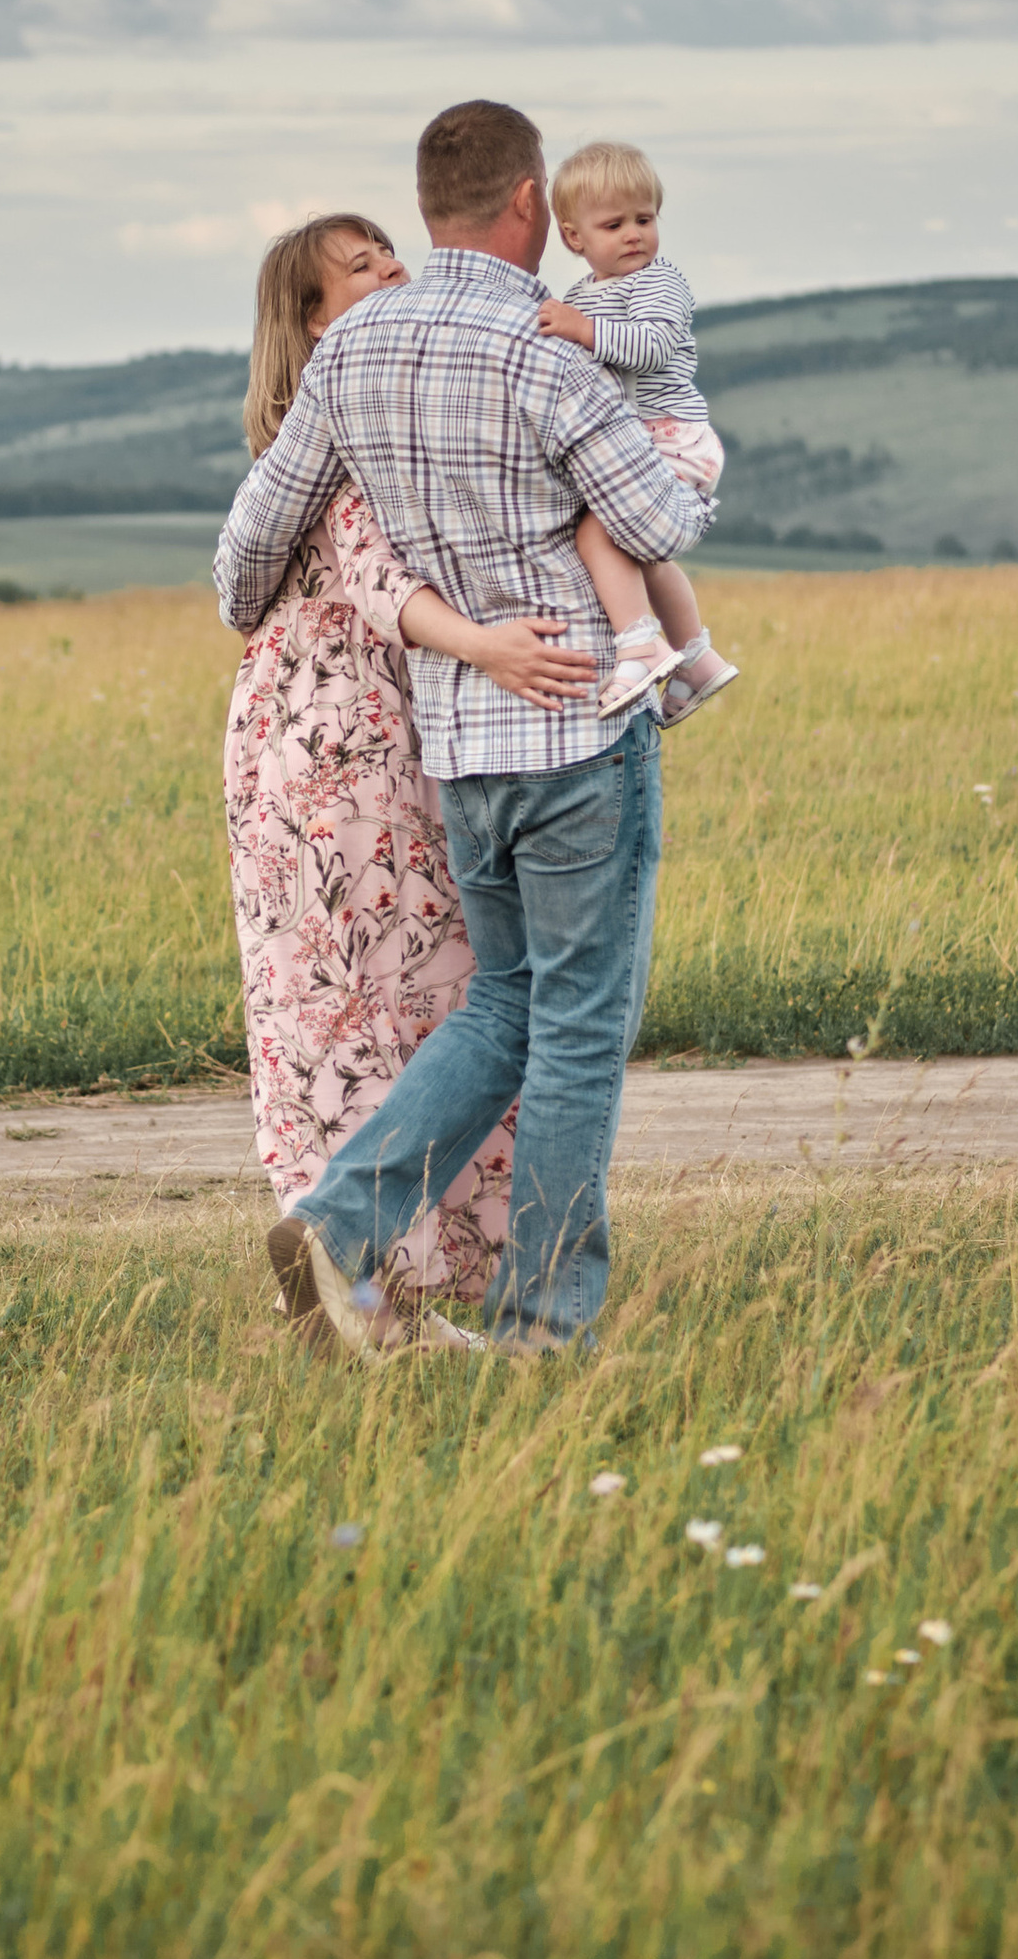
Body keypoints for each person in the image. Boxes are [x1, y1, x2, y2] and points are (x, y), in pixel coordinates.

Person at [214, 98, 714, 1359]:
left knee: (504, 1007)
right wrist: (694, 452)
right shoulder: (550, 353)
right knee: (581, 1027)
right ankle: (542, 1323)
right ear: (533, 204)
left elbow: (247, 554)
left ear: (428, 214)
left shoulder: (350, 355)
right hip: (574, 729)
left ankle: (340, 1217)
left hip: (458, 742)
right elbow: (656, 524)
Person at [222, 211, 596, 1335]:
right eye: (359, 266)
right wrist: (494, 648)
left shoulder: (322, 428)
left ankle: (371, 1277)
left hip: (298, 749)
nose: (390, 271)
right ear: (310, 318)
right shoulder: (340, 438)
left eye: (391, 251)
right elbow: (379, 579)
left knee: (349, 1007)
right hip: (355, 752)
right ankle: (376, 1273)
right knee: (424, 1001)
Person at [536, 138, 741, 723]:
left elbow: (650, 348)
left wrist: (582, 330)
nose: (634, 234)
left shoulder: (659, 282)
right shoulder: (583, 295)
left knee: (599, 536)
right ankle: (697, 659)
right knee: (643, 552)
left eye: (645, 219)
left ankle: (639, 643)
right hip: (640, 439)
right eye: (614, 224)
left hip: (672, 436)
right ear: (575, 238)